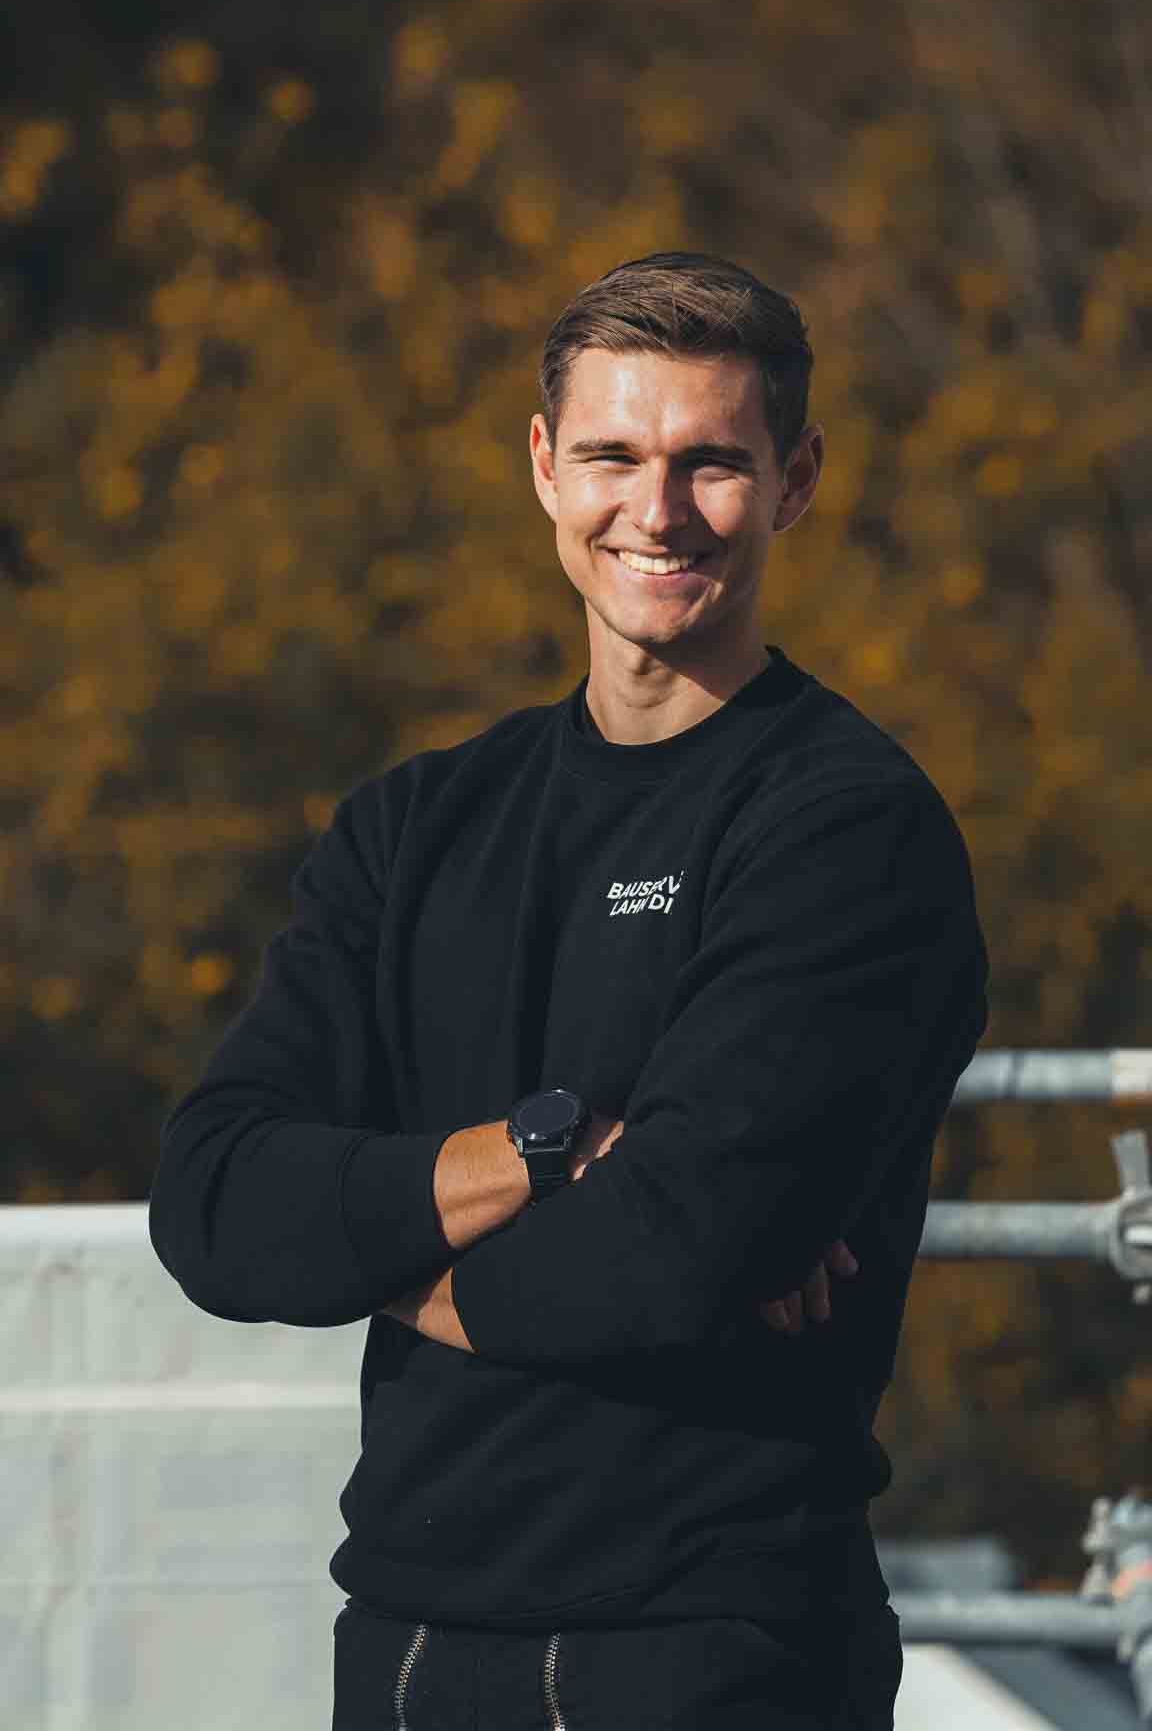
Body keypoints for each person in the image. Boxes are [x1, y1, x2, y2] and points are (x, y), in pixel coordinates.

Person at [149, 250, 988, 1730]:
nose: (655, 512)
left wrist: (367, 1256)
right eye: (612, 454)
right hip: (405, 1643)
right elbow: (215, 1206)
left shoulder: (849, 829)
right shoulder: (414, 828)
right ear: (544, 467)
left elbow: (667, 1261)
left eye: (711, 463)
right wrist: (538, 1157)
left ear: (793, 482)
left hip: (709, 1650)